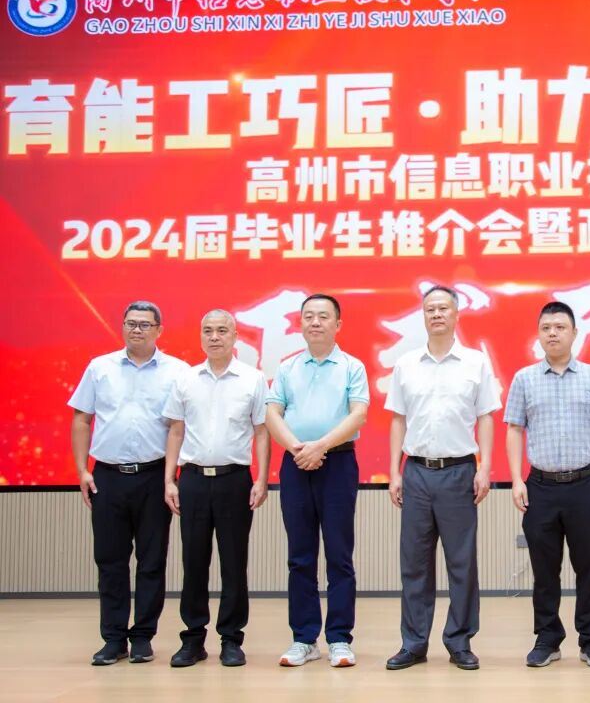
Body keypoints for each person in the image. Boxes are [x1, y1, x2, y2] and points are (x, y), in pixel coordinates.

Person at [385, 285, 501, 671]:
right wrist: (394, 471)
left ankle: (459, 641)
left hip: (458, 471)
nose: (437, 314)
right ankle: (414, 643)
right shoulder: (406, 364)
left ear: (456, 314)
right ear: (423, 316)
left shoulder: (475, 363)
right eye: (430, 309)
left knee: (461, 562)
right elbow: (398, 419)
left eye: (443, 308)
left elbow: (486, 416)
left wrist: (485, 467)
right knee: (414, 563)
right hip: (416, 471)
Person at [69, 301, 188, 665]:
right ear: (122, 327)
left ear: (159, 330)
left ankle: (142, 637)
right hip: (107, 476)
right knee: (110, 560)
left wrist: (171, 478)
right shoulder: (100, 367)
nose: (137, 329)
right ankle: (113, 638)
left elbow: (179, 427)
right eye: (131, 323)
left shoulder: (177, 371)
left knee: (152, 561)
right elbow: (82, 419)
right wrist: (82, 470)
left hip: (154, 476)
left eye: (144, 324)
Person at [505, 301, 590, 669]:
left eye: (560, 327)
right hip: (539, 486)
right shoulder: (524, 379)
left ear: (574, 333)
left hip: (586, 484)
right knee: (544, 569)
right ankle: (547, 638)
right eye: (546, 328)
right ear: (539, 334)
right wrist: (516, 480)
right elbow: (514, 429)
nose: (552, 333)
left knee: (589, 567)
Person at [265, 294, 369, 668]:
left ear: (337, 324)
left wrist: (320, 446)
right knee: (300, 556)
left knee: (339, 555)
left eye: (323, 316)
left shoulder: (352, 366)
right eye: (308, 316)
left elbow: (358, 414)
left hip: (338, 463)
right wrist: (298, 449)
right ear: (300, 323)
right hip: (296, 463)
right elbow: (272, 413)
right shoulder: (287, 368)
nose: (315, 322)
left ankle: (339, 638)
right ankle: (304, 638)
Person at [162, 310, 270, 667]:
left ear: (235, 336)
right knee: (193, 561)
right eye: (207, 331)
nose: (214, 337)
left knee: (234, 562)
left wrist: (261, 478)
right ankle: (193, 639)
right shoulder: (186, 379)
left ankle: (231, 639)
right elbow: (176, 430)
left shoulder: (253, 379)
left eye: (222, 330)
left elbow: (262, 432)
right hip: (192, 479)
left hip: (234, 480)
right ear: (200, 336)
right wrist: (169, 479)